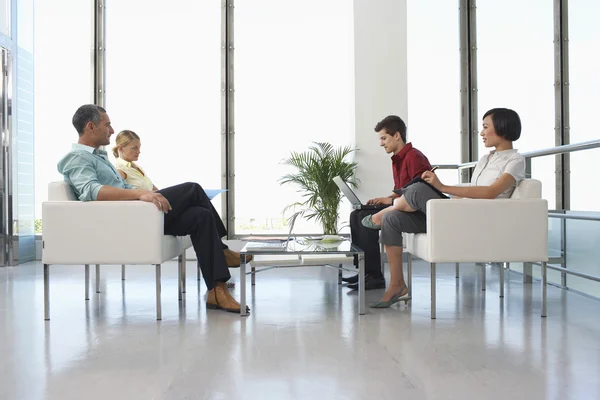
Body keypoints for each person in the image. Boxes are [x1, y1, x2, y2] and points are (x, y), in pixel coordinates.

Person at [58, 104, 246, 313]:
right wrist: (140, 193)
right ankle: (222, 251)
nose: (111, 130)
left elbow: (121, 187)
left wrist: (142, 193)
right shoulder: (77, 158)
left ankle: (217, 291)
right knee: (193, 189)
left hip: (138, 214)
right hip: (130, 218)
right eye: (107, 125)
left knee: (200, 216)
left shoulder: (99, 157)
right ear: (91, 126)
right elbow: (91, 190)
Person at [365, 108, 525, 308]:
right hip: (461, 212)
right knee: (392, 220)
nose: (481, 132)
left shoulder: (515, 161)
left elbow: (491, 192)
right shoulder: (486, 159)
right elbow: (472, 190)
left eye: (485, 127)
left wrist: (441, 188)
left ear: (502, 127)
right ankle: (397, 284)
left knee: (415, 190)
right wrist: (448, 196)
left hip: (477, 219)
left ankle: (391, 207)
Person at [110, 129, 248, 268]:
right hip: (149, 215)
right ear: (121, 148)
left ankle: (219, 271)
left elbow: (155, 190)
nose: (138, 151)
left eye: (139, 147)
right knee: (193, 188)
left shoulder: (136, 168)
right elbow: (121, 194)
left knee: (201, 212)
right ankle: (222, 247)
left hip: (158, 208)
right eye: (134, 148)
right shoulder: (119, 169)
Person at [344, 115, 432, 291]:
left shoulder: (414, 157)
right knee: (356, 214)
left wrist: (391, 200)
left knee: (363, 216)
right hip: (402, 203)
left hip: (415, 210)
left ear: (397, 136)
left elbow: (419, 190)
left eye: (384, 138)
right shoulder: (397, 159)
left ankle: (374, 276)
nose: (381, 143)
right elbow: (402, 188)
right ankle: (365, 271)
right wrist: (387, 198)